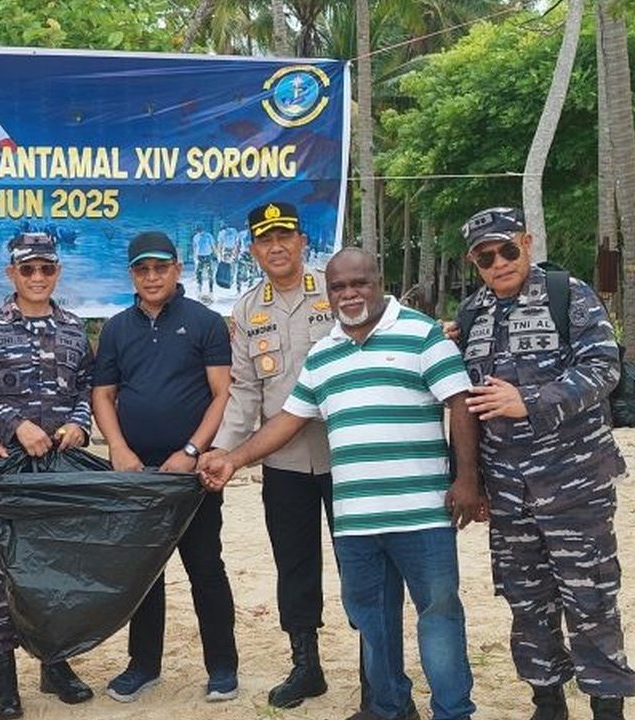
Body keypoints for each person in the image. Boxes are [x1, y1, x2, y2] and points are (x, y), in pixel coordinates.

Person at [201, 247, 483, 720]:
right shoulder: (323, 354)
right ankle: (390, 708)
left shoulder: (422, 334)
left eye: (359, 284)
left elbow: (460, 402)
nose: (349, 294)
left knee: (438, 615)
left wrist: (468, 478)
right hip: (356, 524)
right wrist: (232, 458)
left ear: (379, 282)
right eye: (339, 287)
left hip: (422, 516)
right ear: (329, 294)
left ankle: (453, 712)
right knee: (373, 622)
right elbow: (288, 420)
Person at [451, 207, 635, 720]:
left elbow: (603, 368)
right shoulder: (471, 316)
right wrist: (472, 480)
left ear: (527, 244)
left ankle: (607, 707)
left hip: (574, 484)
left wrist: (528, 401)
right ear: (474, 262)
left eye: (508, 250)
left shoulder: (568, 295)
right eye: (486, 257)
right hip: (509, 494)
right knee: (526, 601)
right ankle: (547, 701)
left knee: (591, 597)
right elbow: (465, 401)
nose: (499, 263)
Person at [197, 202, 341, 710]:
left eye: (284, 236)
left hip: (345, 455)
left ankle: (377, 666)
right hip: (283, 461)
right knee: (294, 563)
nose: (276, 247)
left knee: (361, 562)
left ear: (302, 241)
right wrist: (222, 450)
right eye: (265, 240)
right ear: (253, 250)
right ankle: (306, 665)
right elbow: (244, 391)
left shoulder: (335, 290)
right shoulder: (246, 310)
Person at [91, 231, 239, 704]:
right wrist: (118, 449)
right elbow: (103, 395)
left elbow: (222, 394)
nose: (152, 277)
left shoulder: (205, 322)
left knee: (205, 567)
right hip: (136, 475)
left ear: (178, 269)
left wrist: (192, 451)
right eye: (142, 269)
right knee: (143, 572)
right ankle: (143, 666)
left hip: (193, 475)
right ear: (132, 274)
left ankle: (222, 667)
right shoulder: (115, 328)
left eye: (160, 267)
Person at [0, 232, 96, 719]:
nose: (37, 277)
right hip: (11, 471)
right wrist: (15, 424)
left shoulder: (75, 328)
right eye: (28, 269)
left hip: (59, 471)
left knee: (58, 569)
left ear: (57, 272)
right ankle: (3, 680)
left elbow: (88, 387)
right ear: (11, 273)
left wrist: (80, 423)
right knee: (0, 570)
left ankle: (54, 665)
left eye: (46, 269)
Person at [191, 223, 216, 296]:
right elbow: (194, 248)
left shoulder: (208, 236)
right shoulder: (195, 237)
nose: (197, 230)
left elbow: (213, 246)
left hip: (208, 256)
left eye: (198, 228)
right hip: (199, 257)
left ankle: (211, 290)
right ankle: (199, 289)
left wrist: (216, 255)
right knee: (198, 274)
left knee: (210, 273)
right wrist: (195, 258)